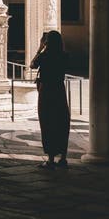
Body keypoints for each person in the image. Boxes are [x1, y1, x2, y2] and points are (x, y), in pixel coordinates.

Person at [30, 30, 70, 169]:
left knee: (48, 122)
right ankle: (63, 158)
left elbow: (32, 65)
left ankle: (51, 159)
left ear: (47, 42)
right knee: (62, 122)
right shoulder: (64, 56)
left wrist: (40, 48)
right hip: (59, 90)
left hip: (46, 91)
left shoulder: (44, 56)